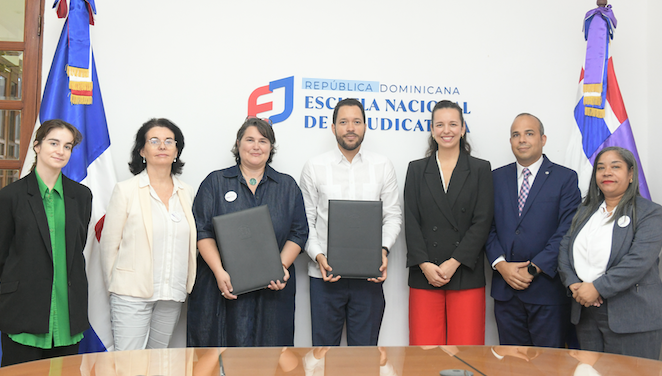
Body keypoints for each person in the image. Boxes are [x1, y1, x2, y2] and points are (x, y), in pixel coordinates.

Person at [187, 117, 308, 347]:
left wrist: (280, 267)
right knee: (219, 355)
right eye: (250, 140)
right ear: (238, 143)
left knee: (270, 357)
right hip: (221, 287)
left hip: (273, 292)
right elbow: (202, 231)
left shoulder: (287, 186)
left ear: (270, 147)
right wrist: (219, 272)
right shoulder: (215, 182)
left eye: (263, 141)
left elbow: (299, 232)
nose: (256, 146)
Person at [301, 98, 402, 346]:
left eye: (356, 122)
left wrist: (382, 251)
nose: (350, 128)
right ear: (333, 127)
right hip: (324, 276)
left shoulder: (383, 166)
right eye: (343, 122)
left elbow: (392, 216)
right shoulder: (314, 167)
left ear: (365, 126)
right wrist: (319, 256)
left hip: (369, 277)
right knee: (323, 355)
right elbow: (306, 221)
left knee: (365, 357)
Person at [0, 119, 92, 366]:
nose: (61, 151)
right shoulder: (10, 196)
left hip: (68, 312)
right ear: (37, 146)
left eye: (67, 146)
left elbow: (77, 248)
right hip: (23, 310)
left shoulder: (81, 196)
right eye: (54, 143)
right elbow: (2, 255)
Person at [558, 147, 662, 360]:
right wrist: (573, 283)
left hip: (634, 318)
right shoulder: (585, 210)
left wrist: (597, 288)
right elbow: (565, 248)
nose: (607, 172)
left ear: (631, 174)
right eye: (601, 168)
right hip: (586, 313)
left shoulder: (649, 212)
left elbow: (638, 261)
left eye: (615, 167)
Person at [100, 118, 197, 350]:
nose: (162, 146)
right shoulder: (126, 190)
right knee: (129, 364)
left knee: (158, 363)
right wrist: (117, 287)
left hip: (171, 295)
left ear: (177, 151)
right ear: (142, 151)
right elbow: (109, 246)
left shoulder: (187, 193)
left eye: (169, 141)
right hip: (131, 294)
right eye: (154, 141)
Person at [486, 113, 581, 347]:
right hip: (506, 291)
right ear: (510, 141)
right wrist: (501, 265)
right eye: (516, 135)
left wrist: (533, 268)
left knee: (548, 365)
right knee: (511, 364)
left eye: (529, 133)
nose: (522, 140)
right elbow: (486, 226)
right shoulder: (495, 178)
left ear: (543, 139)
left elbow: (567, 230)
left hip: (547, 291)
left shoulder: (565, 178)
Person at [403, 100, 493, 345]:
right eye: (440, 124)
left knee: (466, 352)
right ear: (432, 130)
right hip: (425, 274)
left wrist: (454, 262)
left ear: (463, 128)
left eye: (453, 124)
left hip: (465, 271)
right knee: (424, 354)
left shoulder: (480, 169)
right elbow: (411, 221)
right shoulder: (416, 169)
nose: (446, 130)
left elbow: (482, 222)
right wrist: (425, 265)